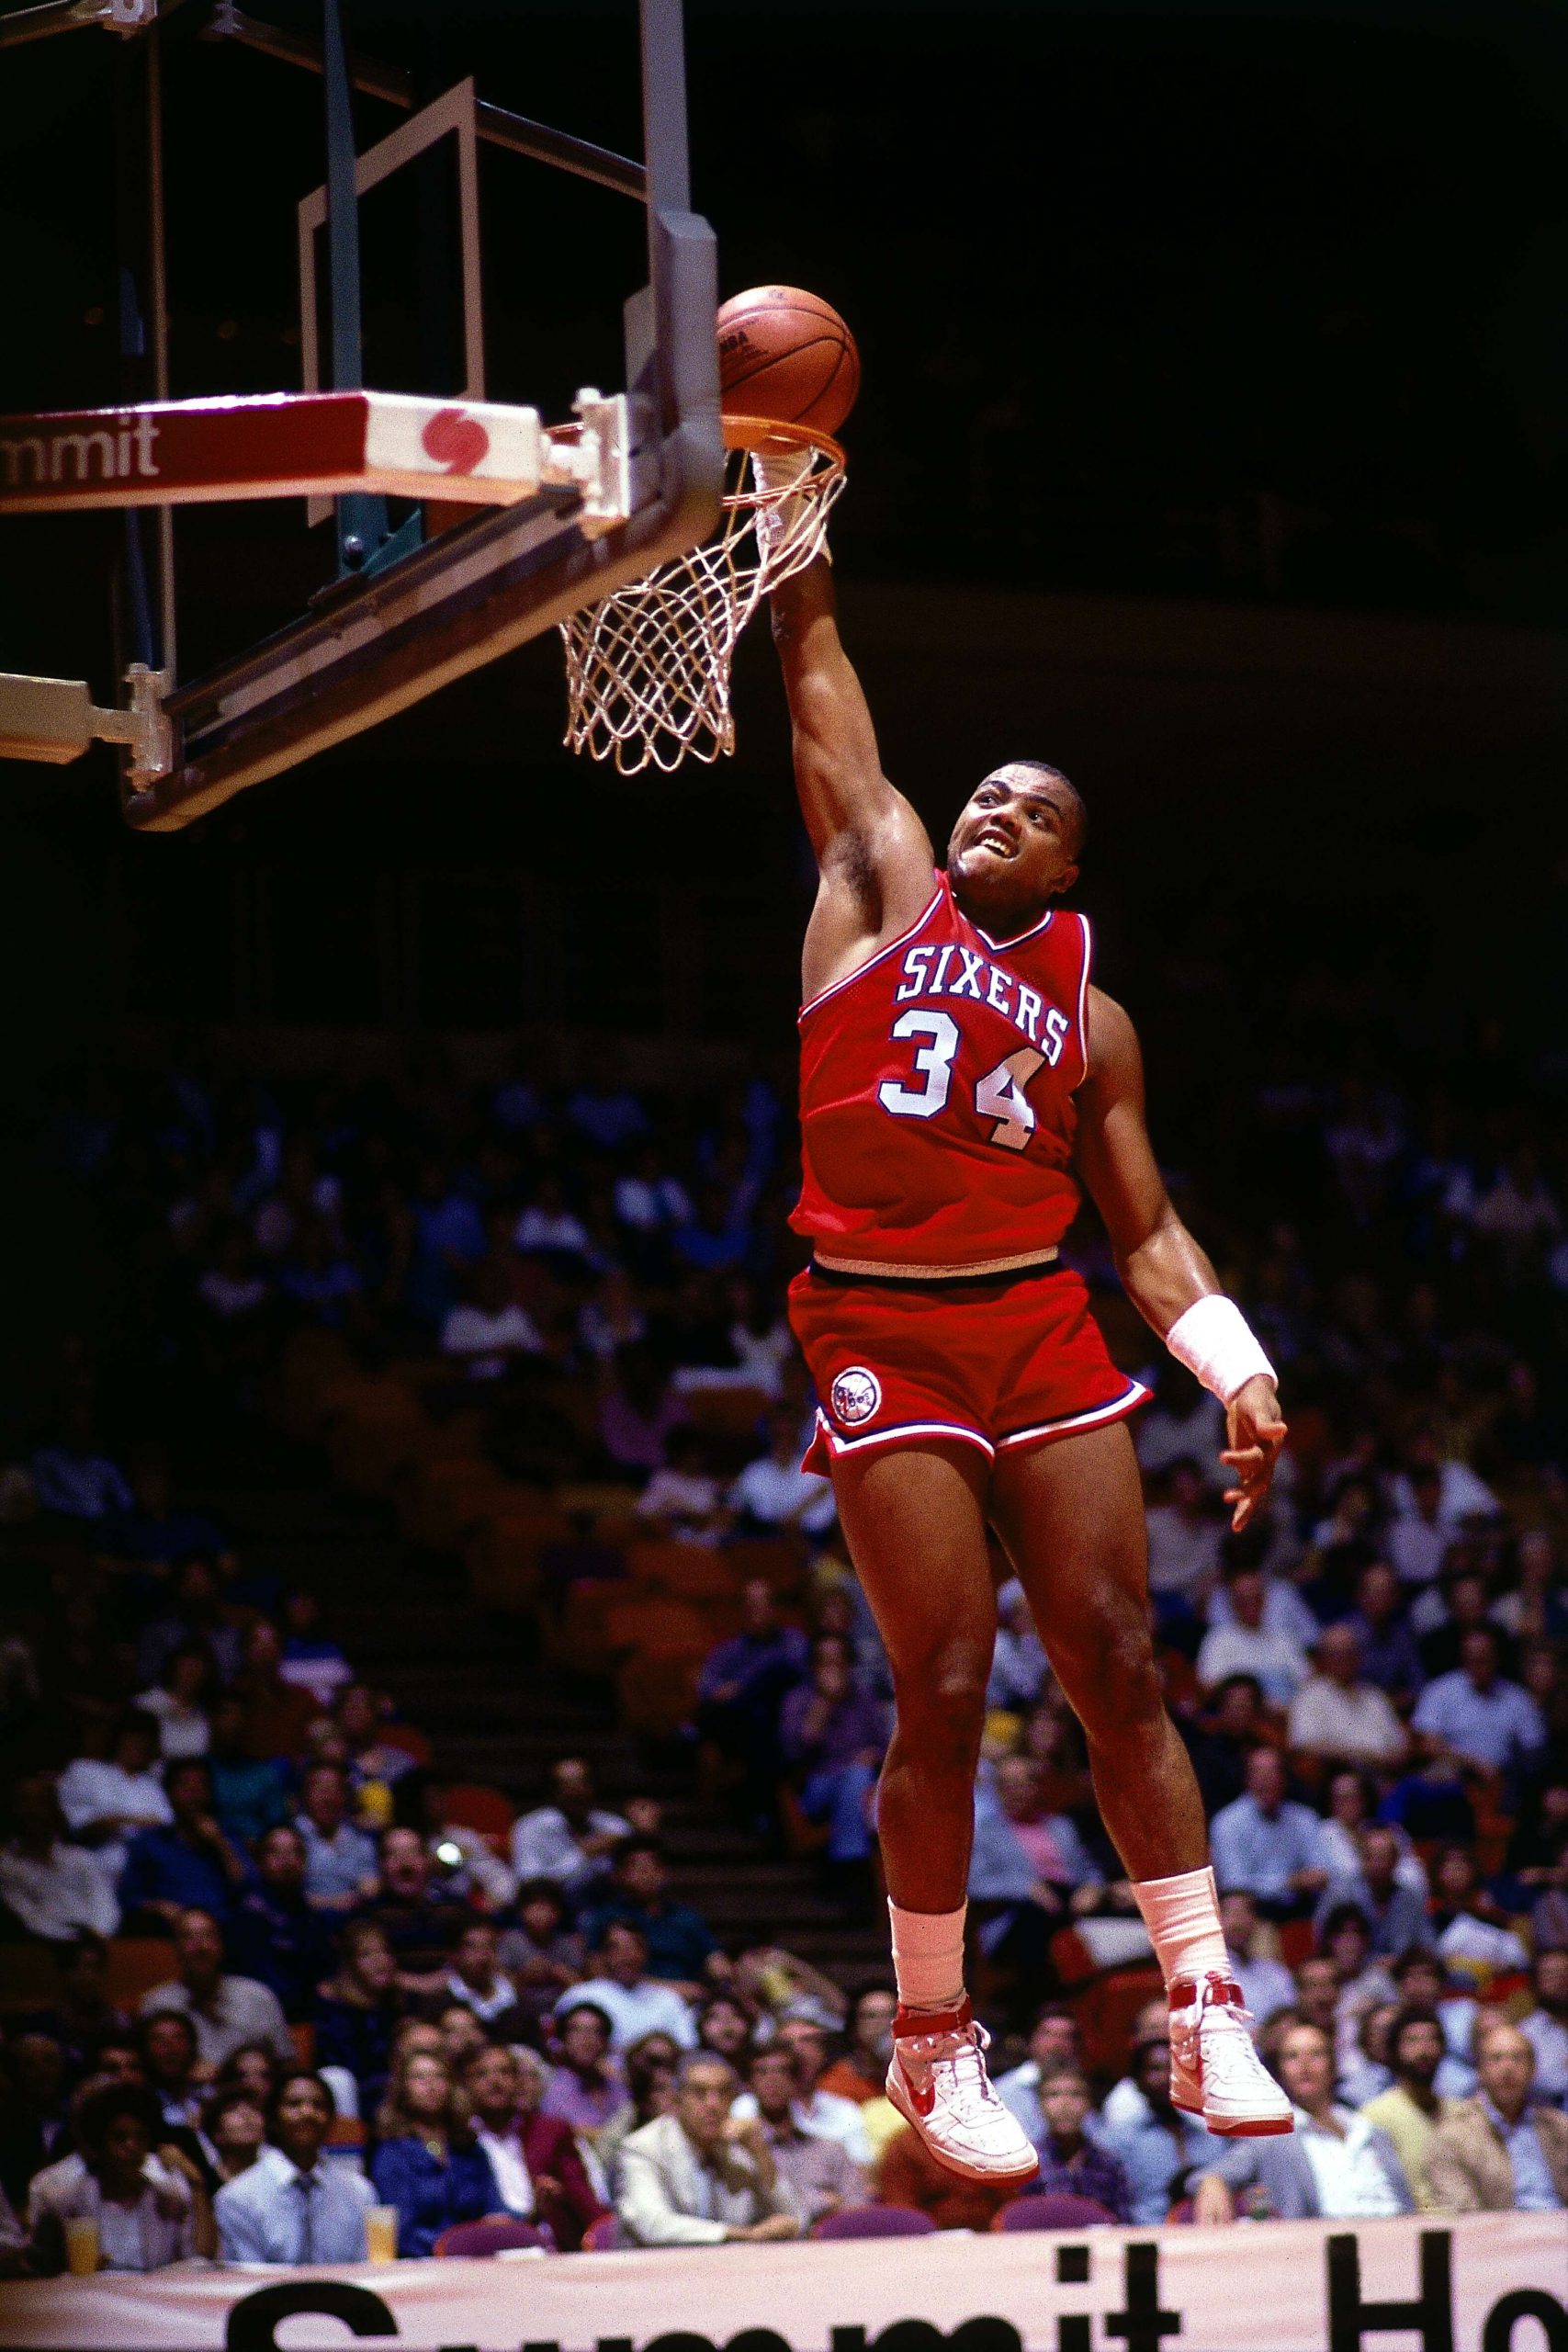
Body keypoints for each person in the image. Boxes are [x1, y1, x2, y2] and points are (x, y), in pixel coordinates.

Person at [768, 550, 1292, 2174]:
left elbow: (1142, 1233)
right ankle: (931, 2041)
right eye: (982, 790)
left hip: (1035, 1316)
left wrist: (1236, 1363)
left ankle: (1203, 2003)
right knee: (939, 1683)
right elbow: (825, 703)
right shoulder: (877, 890)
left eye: (1028, 807)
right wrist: (800, 545)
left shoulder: (1094, 1013)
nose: (990, 809)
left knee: (1118, 1659)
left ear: (1071, 863)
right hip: (878, 1323)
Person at [1193, 2019, 1414, 2222]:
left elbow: (1405, 2201)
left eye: (1316, 2054)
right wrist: (1212, 2182)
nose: (1304, 2064)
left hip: (1393, 2235)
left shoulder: (1369, 2130)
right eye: (1292, 2056)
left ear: (1333, 2066)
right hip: (1324, 2246)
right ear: (1280, 2071)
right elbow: (1219, 2171)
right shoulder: (1270, 2133)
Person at [615, 2052, 800, 2246]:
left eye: (723, 2093)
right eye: (699, 2093)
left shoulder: (738, 2147)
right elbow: (652, 2224)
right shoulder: (642, 2147)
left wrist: (760, 2153)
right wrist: (741, 2234)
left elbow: (795, 2220)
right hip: (652, 2269)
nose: (713, 2104)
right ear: (677, 2100)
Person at [26, 2077, 209, 2271]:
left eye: (141, 2137)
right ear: (98, 2143)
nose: (132, 2146)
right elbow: (38, 2264)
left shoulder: (167, 2194)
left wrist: (197, 2184)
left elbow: (200, 2258)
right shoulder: (64, 2198)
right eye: (120, 2138)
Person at [215, 2070, 376, 2262]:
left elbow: (366, 2272)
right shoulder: (237, 2198)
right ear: (273, 2119)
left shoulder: (359, 2192)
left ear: (331, 2120)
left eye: (318, 2105)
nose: (307, 2113)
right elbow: (248, 2281)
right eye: (294, 2104)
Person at [462, 2043, 604, 2250]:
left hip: (550, 2249)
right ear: (466, 2084)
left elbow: (584, 2200)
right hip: (484, 2252)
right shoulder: (459, 2140)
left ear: (519, 2082)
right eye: (482, 2074)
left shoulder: (550, 2132)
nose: (495, 2081)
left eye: (505, 2072)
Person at [369, 2046, 499, 2258]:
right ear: (403, 2090)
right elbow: (402, 2231)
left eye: (439, 2077)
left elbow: (494, 2210)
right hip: (422, 2263)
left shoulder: (469, 2147)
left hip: (479, 2261)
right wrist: (456, 2247)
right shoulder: (392, 2153)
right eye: (419, 2078)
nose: (430, 2085)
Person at [1425, 2021, 1568, 2211]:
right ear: (1479, 2071)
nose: (1507, 2068)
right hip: (1497, 2236)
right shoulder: (1452, 2135)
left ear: (1533, 2070)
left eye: (1517, 2058)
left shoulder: (1560, 2127)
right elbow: (1462, 2213)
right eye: (1496, 2058)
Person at [141, 1905, 293, 2071]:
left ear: (221, 1945)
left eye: (208, 1936)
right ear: (175, 1948)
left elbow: (286, 2063)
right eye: (189, 1937)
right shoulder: (157, 2004)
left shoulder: (258, 1997)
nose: (200, 1947)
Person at [1101, 2023, 1220, 2225]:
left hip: (1209, 2238)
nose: (1167, 2077)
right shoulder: (1117, 2141)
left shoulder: (1210, 2136)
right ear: (1137, 2081)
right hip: (1149, 2240)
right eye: (1155, 2069)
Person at [116, 1758, 249, 1932]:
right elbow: (129, 1896)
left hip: (222, 1932)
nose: (194, 1794)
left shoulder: (227, 1837)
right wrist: (158, 1907)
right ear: (169, 1795)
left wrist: (220, 1844)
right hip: (168, 1931)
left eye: (201, 1786)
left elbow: (246, 1887)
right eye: (185, 1786)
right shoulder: (150, 1841)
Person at [745, 2043, 868, 2225]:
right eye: (762, 2072)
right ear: (750, 2083)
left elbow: (859, 2209)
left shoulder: (829, 2149)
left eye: (781, 2071)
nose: (772, 2080)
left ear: (796, 2082)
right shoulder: (740, 2152)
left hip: (829, 2246)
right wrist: (821, 2202)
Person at [580, 1836, 721, 1992]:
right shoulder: (604, 1918)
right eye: (637, 1868)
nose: (647, 1874)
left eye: (653, 1866)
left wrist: (721, 1982)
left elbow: (716, 1962)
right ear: (619, 1875)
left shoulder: (686, 1917)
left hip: (688, 2003)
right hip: (627, 1997)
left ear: (664, 1873)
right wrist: (670, 1989)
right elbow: (596, 1972)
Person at [1359, 2006, 1462, 2211]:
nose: (1424, 2049)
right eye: (1412, 2040)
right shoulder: (1375, 2115)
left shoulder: (1461, 2113)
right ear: (1395, 2050)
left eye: (1432, 2039)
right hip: (1408, 2230)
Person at [0, 1770, 119, 1942]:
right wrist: (71, 1940)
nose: (35, 1811)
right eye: (26, 1802)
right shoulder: (6, 1864)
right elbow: (27, 1917)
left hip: (92, 1944)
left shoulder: (80, 1858)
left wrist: (96, 1934)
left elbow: (105, 1905)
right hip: (40, 1949)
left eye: (43, 1802)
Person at [1208, 1747, 1328, 1917]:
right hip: (1252, 1914)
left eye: (1273, 1773)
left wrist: (1297, 1883)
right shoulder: (1227, 1822)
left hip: (1300, 1910)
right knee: (1237, 1905)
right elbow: (1235, 1886)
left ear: (1284, 1779)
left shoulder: (1304, 1818)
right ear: (1248, 1780)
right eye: (1259, 1773)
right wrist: (1290, 1883)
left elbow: (1320, 1873)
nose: (1266, 1780)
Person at [1412, 1628, 1547, 1778]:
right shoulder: (1439, 1690)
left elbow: (1533, 1747)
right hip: (1451, 1776)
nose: (1476, 1665)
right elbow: (1428, 1745)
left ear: (1496, 1658)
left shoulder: (1518, 1698)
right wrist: (1475, 1765)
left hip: (1504, 1779)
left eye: (1483, 1658)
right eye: (1470, 1658)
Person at [312, 1917, 404, 2117]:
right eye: (366, 1954)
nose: (379, 1961)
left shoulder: (400, 2006)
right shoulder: (335, 2013)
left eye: (385, 1952)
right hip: (361, 2101)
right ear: (349, 1963)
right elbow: (346, 2067)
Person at [561, 1922, 699, 2052]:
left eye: (634, 1947)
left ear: (645, 1953)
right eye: (617, 1948)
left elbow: (686, 2047)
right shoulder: (580, 1996)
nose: (627, 1955)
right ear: (604, 1954)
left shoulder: (668, 1999)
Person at [1286, 1624, 1408, 1769]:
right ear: (1323, 1659)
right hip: (1342, 1773)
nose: (1343, 1660)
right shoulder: (1310, 1695)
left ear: (1358, 1657)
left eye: (1349, 1653)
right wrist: (1363, 1755)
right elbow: (1304, 1744)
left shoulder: (1374, 1695)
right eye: (1335, 1654)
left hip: (1386, 1773)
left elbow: (1400, 1746)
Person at [1017, 2066, 1131, 2219]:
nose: (1065, 2104)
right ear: (1039, 2104)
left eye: (1076, 2094)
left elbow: (1122, 2223)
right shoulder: (1025, 2165)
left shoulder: (1109, 2165)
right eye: (1053, 2095)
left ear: (1089, 2102)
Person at [510, 1758, 629, 1903]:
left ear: (593, 1787)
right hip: (554, 1910)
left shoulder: (616, 1826)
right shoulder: (530, 1827)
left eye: (582, 1782)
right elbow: (530, 1882)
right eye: (567, 1785)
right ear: (553, 1791)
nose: (577, 1792)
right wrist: (582, 1855)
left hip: (607, 1908)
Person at [294, 1764, 378, 1913]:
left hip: (354, 1919)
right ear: (305, 1795)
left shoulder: (360, 1839)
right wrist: (333, 1903)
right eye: (319, 1789)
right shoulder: (291, 1836)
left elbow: (370, 1887)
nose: (327, 1797)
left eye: (334, 1788)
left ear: (345, 1795)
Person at [540, 2000, 626, 2139]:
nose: (586, 2039)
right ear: (563, 2040)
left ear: (605, 2042)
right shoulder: (549, 2089)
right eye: (576, 2030)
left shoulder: (617, 2085)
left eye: (596, 2031)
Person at [442, 1918, 531, 2038]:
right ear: (454, 1955)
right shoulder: (442, 2002)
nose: (483, 1957)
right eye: (473, 1948)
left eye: (489, 1946)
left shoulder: (517, 2000)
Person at [1218, 1891, 1296, 2027]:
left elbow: (1290, 2013)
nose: (1237, 1923)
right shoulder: (1208, 1973)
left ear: (1256, 1921)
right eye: (1230, 1914)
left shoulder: (1274, 1972)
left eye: (1244, 1913)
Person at [818, 1987, 897, 2105]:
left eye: (893, 2014)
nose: (886, 2023)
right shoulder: (835, 2086)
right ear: (854, 2030)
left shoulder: (922, 2077)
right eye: (872, 2016)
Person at [1519, 1948, 1568, 2110]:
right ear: (1534, 1984)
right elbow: (1542, 2084)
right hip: (1549, 2120)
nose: (1561, 1980)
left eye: (1565, 1972)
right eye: (1551, 1974)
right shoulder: (1525, 2033)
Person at [203, 2084, 267, 2188]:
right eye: (233, 2110)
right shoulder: (205, 2182)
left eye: (254, 2108)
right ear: (217, 2133)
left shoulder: (280, 2176)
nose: (247, 2114)